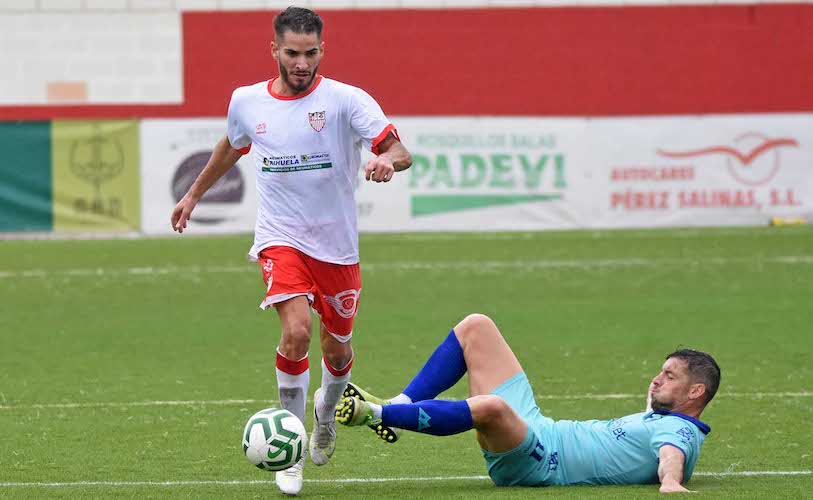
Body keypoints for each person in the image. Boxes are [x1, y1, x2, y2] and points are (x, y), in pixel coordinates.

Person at [170, 6, 412, 496]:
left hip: (337, 248)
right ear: (274, 50)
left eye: (310, 53)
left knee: (337, 348)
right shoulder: (247, 102)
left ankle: (326, 411)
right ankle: (292, 446)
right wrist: (193, 194)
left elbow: (399, 151)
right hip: (281, 240)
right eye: (292, 53)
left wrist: (386, 161)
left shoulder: (347, 100)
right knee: (297, 331)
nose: (302, 63)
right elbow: (229, 147)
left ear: (322, 50)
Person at [336, 314, 721, 493]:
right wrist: (657, 393)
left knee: (493, 408)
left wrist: (671, 483)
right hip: (540, 428)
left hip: (540, 463)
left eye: (670, 377)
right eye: (661, 370)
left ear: (695, 393)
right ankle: (399, 404)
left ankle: (374, 413)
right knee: (476, 327)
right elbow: (656, 420)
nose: (657, 378)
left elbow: (672, 455)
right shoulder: (662, 415)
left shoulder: (680, 431)